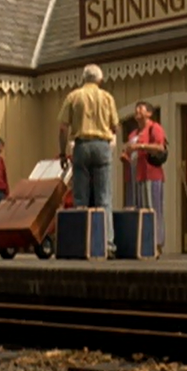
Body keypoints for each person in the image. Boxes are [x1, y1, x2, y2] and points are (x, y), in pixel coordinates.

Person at [58, 64, 119, 255]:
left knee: (80, 197)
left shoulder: (73, 96)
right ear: (100, 80)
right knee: (104, 197)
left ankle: (82, 241)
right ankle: (107, 243)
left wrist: (62, 152)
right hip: (102, 145)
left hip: (82, 145)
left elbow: (62, 127)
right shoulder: (107, 97)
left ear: (83, 78)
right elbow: (115, 126)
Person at [122, 102, 167, 255]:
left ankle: (156, 243)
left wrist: (141, 147)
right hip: (135, 175)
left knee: (152, 208)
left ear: (149, 113)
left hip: (151, 174)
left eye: (141, 109)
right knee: (138, 208)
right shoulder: (132, 134)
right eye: (136, 109)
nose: (137, 111)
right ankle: (141, 242)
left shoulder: (155, 128)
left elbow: (160, 147)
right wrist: (125, 157)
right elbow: (129, 151)